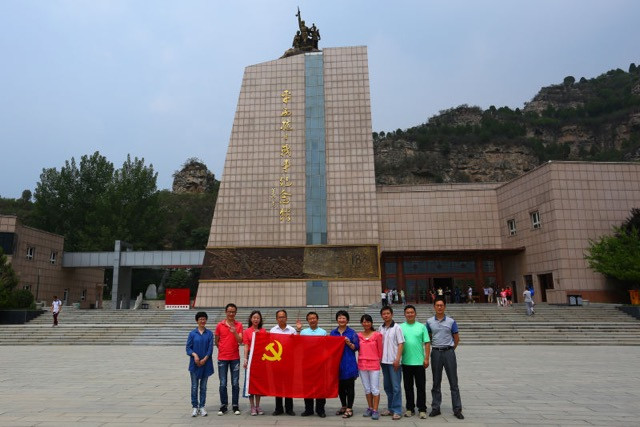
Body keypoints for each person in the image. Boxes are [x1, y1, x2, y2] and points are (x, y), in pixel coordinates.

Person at [426, 297, 464, 419]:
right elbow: (428, 338)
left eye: (441, 305)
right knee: (436, 381)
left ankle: (457, 409)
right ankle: (436, 407)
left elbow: (456, 338)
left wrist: (451, 349)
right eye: (437, 305)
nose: (439, 307)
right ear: (434, 307)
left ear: (445, 307)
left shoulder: (451, 321)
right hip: (436, 352)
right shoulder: (429, 322)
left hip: (449, 352)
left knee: (454, 382)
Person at [400, 305, 430, 419]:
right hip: (406, 362)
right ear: (404, 314)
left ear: (415, 314)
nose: (410, 314)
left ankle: (422, 409)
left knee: (421, 387)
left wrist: (426, 358)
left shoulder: (421, 327)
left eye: (412, 312)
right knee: (408, 387)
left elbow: (427, 343)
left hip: (419, 363)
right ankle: (410, 408)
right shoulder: (400, 327)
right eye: (407, 312)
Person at [296, 311, 327, 418]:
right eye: (310, 318)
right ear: (307, 321)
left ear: (317, 320)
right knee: (307, 387)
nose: (312, 320)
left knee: (320, 387)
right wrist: (298, 330)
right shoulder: (304, 332)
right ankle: (308, 409)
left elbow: (326, 347)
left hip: (320, 364)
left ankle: (320, 410)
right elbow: (298, 343)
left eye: (314, 318)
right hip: (307, 363)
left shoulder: (323, 332)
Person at [330, 310, 359, 419]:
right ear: (337, 320)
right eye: (339, 318)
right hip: (337, 363)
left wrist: (348, 343)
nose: (341, 320)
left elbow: (356, 347)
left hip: (349, 362)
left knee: (350, 386)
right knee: (340, 387)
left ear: (347, 320)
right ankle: (343, 406)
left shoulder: (352, 333)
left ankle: (349, 408)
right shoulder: (333, 333)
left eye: (343, 318)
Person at [215, 303, 243, 416]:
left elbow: (240, 340)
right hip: (222, 358)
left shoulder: (239, 325)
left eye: (233, 312)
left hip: (235, 358)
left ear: (235, 313)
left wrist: (234, 331)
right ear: (226, 312)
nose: (231, 313)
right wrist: (223, 349)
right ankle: (224, 405)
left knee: (235, 383)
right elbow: (216, 341)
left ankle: (235, 405)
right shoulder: (219, 325)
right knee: (223, 383)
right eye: (229, 311)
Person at [186, 311, 214, 417]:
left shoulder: (209, 334)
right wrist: (195, 355)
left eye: (204, 319)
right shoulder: (192, 333)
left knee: (203, 386)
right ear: (197, 320)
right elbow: (188, 348)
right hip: (194, 364)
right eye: (200, 319)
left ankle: (202, 406)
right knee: (194, 386)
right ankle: (195, 407)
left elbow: (210, 349)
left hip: (206, 364)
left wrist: (205, 359)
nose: (202, 321)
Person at [379, 306, 405, 420]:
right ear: (382, 316)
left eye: (388, 313)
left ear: (392, 314)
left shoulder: (397, 327)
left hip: (394, 362)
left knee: (396, 387)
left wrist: (397, 359)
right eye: (384, 314)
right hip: (384, 362)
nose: (386, 315)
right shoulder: (381, 328)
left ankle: (397, 410)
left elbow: (401, 343)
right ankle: (390, 408)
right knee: (387, 387)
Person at [270, 309, 296, 416]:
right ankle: (278, 408)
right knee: (278, 385)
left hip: (289, 361)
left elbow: (296, 344)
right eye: (279, 317)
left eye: (283, 317)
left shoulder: (292, 330)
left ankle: (289, 408)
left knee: (289, 385)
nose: (281, 319)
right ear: (276, 319)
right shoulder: (273, 330)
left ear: (286, 318)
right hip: (277, 361)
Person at [357, 314, 383, 420]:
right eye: (364, 322)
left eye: (368, 321)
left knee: (374, 388)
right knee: (367, 388)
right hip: (362, 364)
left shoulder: (377, 335)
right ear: (361, 323)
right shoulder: (358, 335)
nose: (366, 324)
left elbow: (380, 350)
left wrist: (379, 361)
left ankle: (375, 410)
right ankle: (370, 407)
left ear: (371, 323)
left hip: (374, 364)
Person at [242, 310, 265, 416]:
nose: (256, 319)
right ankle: (252, 406)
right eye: (254, 317)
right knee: (250, 382)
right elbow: (246, 346)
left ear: (260, 320)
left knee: (258, 382)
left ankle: (258, 405)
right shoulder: (247, 331)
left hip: (260, 358)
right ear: (251, 319)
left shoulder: (263, 331)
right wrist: (245, 359)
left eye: (258, 318)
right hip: (250, 357)